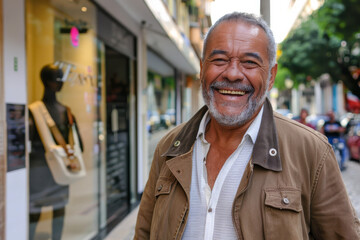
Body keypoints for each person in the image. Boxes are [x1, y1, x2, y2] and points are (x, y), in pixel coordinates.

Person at [134, 12, 360, 239]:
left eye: (250, 63)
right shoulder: (169, 148)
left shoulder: (311, 151)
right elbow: (144, 233)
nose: (232, 74)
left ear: (271, 76)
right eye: (220, 60)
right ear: (202, 69)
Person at [29, 64, 83, 240]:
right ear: (45, 81)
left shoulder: (64, 112)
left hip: (48, 169)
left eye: (61, 79)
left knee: (46, 212)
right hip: (44, 171)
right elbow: (79, 146)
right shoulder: (61, 112)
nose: (60, 83)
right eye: (56, 79)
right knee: (39, 212)